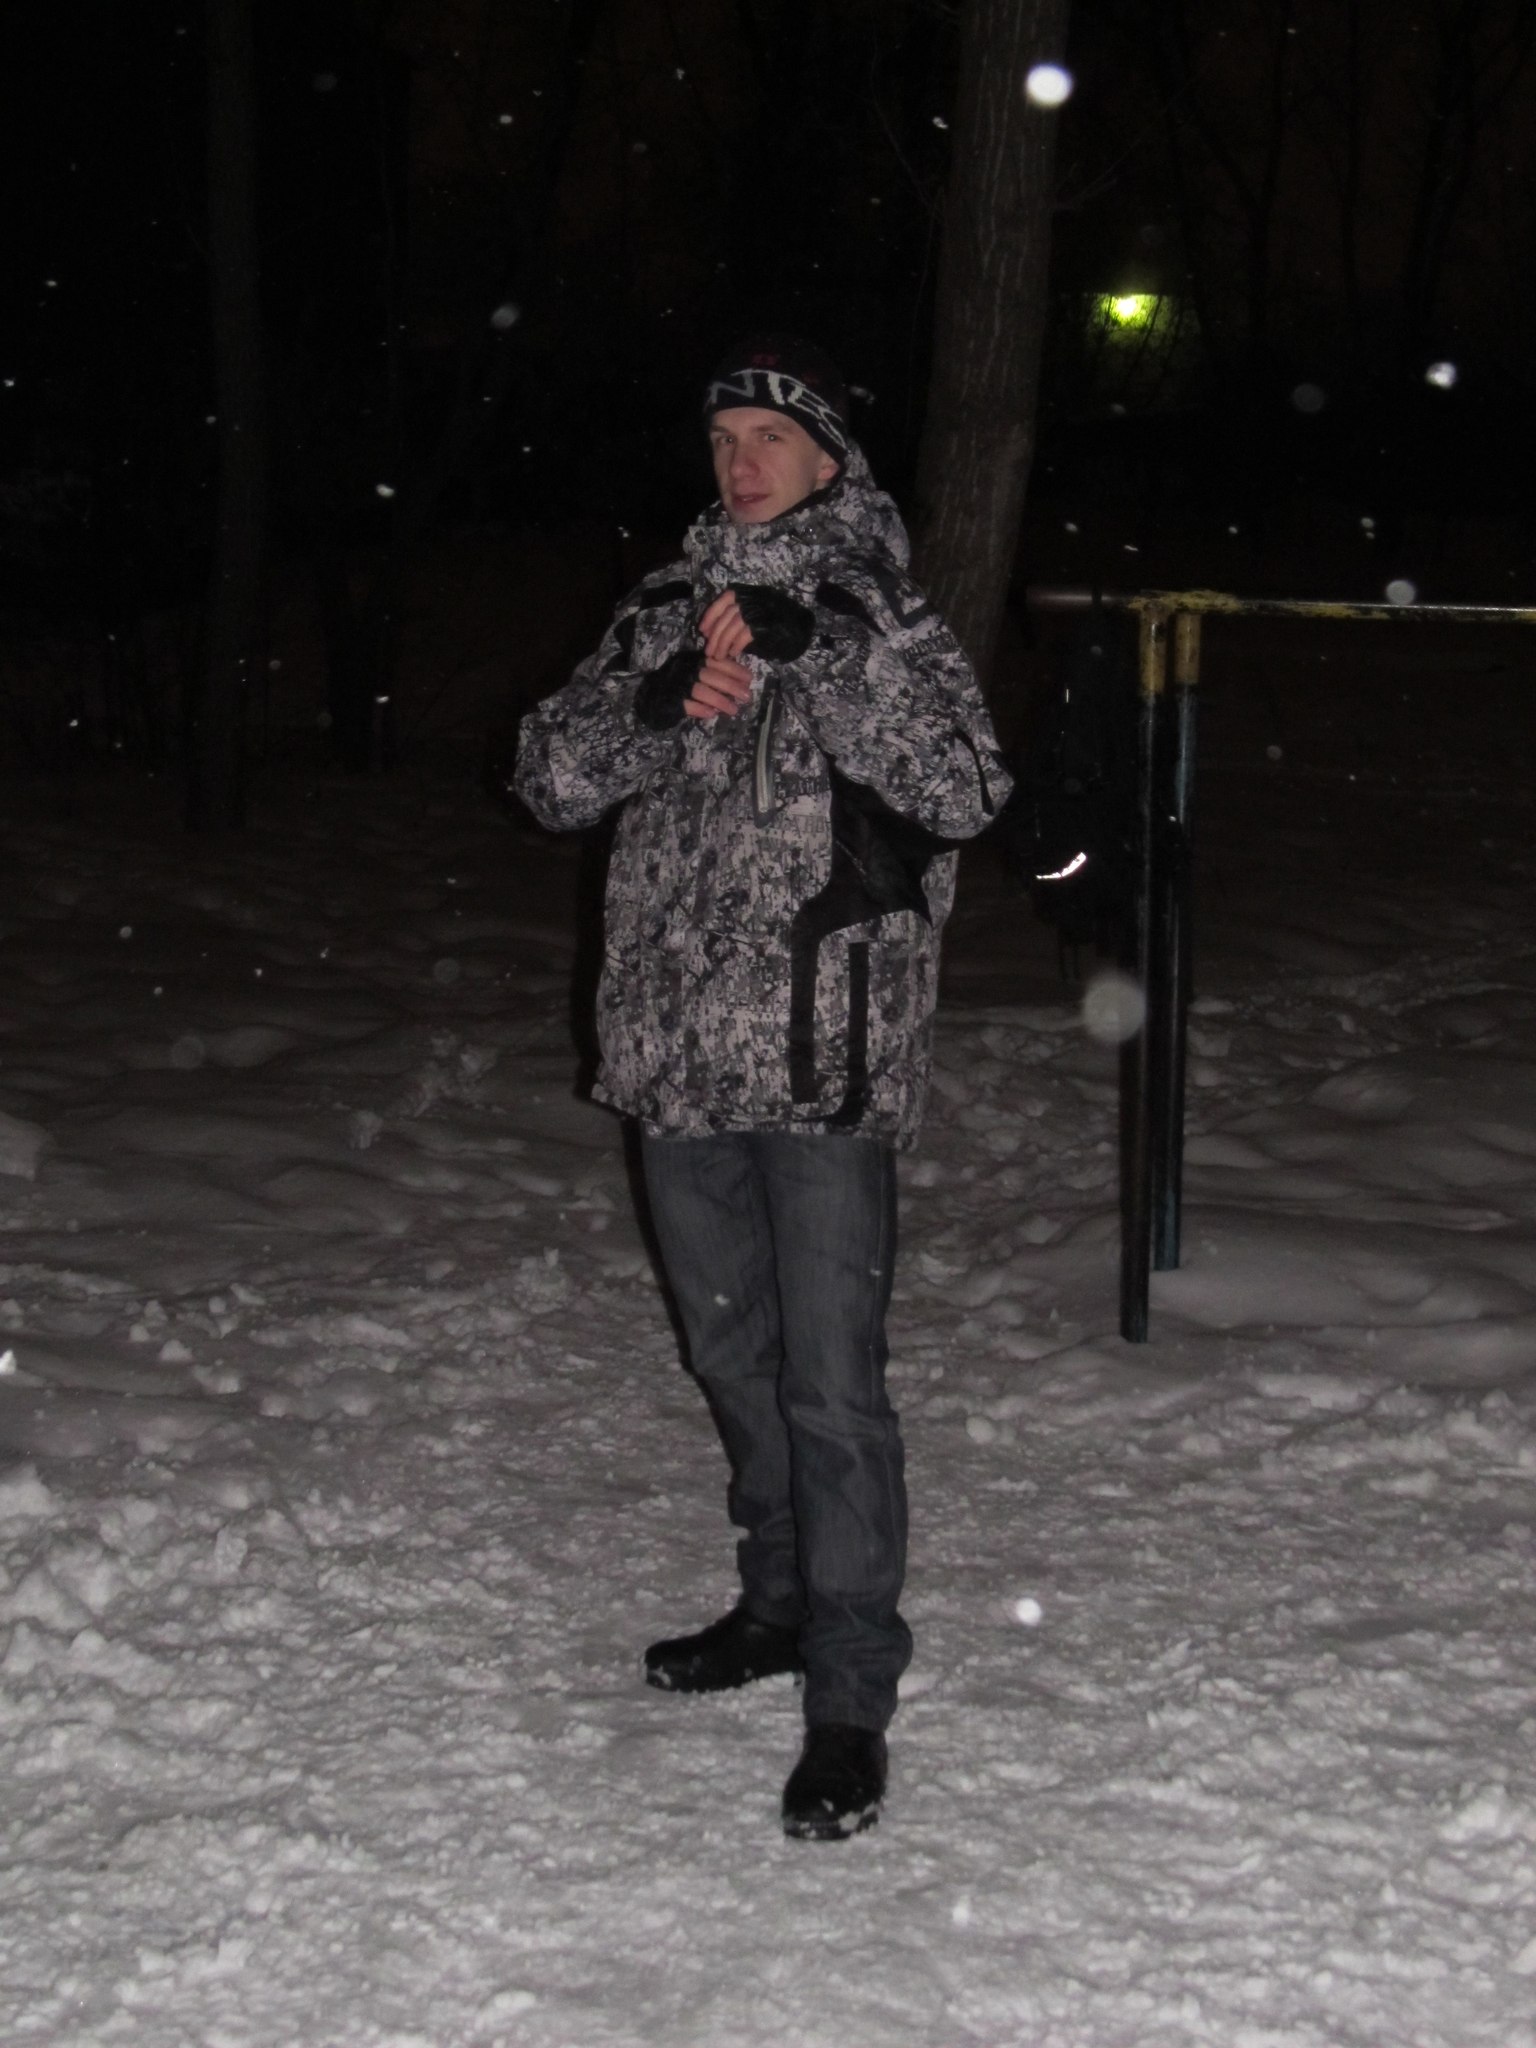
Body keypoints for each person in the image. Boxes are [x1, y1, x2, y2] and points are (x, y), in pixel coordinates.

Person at [515, 336, 1010, 1840]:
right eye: (723, 436)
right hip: (675, 1060)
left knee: (831, 1389)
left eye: (770, 438)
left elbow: (965, 788)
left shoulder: (880, 610)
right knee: (733, 1362)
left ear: (829, 459)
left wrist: (821, 658)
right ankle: (779, 1605)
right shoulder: (664, 605)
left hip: (820, 1062)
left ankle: (850, 1698)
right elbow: (544, 778)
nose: (740, 461)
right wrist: (656, 705)